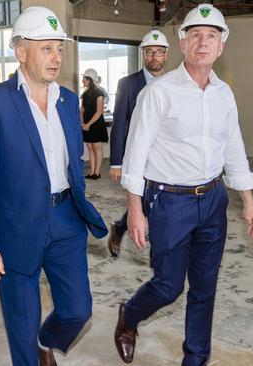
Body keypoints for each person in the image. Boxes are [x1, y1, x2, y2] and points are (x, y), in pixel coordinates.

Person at [113, 5, 253, 365]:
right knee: (168, 286)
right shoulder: (159, 93)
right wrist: (135, 209)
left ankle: (195, 359)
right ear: (183, 43)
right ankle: (129, 316)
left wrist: (249, 202)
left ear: (221, 46)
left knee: (205, 287)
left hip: (213, 200)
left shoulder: (224, 94)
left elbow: (234, 148)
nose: (203, 42)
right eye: (195, 34)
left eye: (211, 35)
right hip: (169, 202)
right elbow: (136, 154)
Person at [0, 7, 107, 366]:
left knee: (78, 310)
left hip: (65, 220)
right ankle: (32, 351)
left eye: (59, 49)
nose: (56, 58)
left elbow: (72, 161)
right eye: (47, 49)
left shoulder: (69, 100)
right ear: (20, 50)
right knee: (22, 326)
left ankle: (48, 341)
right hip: (15, 229)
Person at [107, 29, 169, 257]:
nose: (154, 56)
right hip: (137, 157)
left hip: (164, 157)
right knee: (145, 198)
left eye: (159, 52)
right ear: (143, 54)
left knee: (156, 201)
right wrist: (116, 162)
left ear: (166, 55)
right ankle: (156, 250)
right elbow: (120, 123)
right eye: (150, 52)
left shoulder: (174, 83)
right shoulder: (128, 84)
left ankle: (121, 228)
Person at [80, 68, 108, 180]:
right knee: (90, 147)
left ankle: (97, 172)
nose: (82, 81)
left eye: (84, 79)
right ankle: (91, 172)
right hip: (86, 124)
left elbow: (99, 112)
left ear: (90, 80)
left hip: (96, 124)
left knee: (96, 147)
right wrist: (82, 122)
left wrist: (88, 124)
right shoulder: (85, 94)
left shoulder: (99, 93)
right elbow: (82, 110)